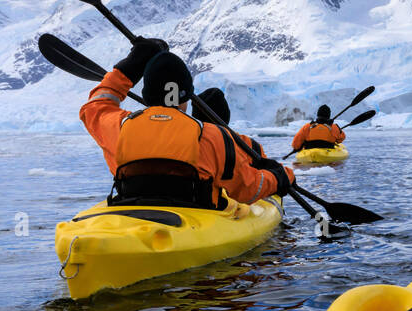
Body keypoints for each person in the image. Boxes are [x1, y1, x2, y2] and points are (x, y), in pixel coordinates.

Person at [80, 38, 294, 209]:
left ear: (146, 95)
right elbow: (248, 190)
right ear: (187, 98)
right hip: (194, 219)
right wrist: (279, 177)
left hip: (131, 211)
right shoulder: (214, 136)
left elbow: (95, 106)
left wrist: (130, 66)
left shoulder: (120, 126)